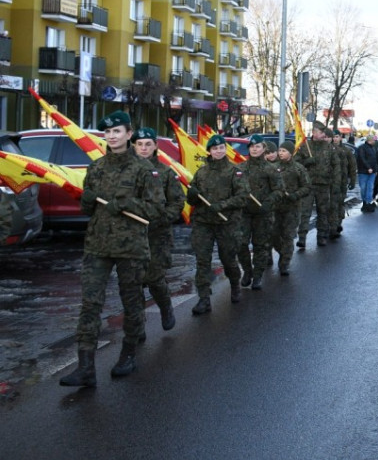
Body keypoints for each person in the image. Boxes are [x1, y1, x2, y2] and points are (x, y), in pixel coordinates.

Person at [60, 111, 161, 386]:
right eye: (108, 132)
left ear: (129, 135)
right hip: (98, 245)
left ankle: (128, 354)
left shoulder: (144, 169)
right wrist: (87, 199)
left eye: (118, 131)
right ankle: (85, 367)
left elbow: (156, 209)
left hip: (131, 246)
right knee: (90, 303)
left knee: (131, 302)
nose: (112, 136)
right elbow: (86, 208)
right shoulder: (96, 167)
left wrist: (128, 204)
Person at [186, 134, 251, 314]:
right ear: (209, 151)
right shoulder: (201, 172)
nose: (218, 151)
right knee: (202, 261)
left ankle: (235, 285)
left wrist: (222, 205)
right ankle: (204, 298)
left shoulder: (235, 171)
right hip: (203, 223)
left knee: (228, 259)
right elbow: (192, 199)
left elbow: (242, 197)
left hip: (227, 223)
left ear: (225, 149)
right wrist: (191, 195)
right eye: (215, 149)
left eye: (221, 147)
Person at [132, 127, 184, 340]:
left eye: (148, 144)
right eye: (139, 144)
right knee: (132, 282)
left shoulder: (165, 173)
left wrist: (163, 218)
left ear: (155, 147)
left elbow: (177, 201)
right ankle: (137, 326)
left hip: (157, 235)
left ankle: (165, 306)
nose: (144, 148)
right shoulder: (128, 171)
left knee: (154, 278)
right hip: (131, 235)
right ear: (133, 146)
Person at [242, 134, 283, 291]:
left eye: (258, 146)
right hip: (244, 213)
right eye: (252, 146)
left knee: (261, 245)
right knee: (240, 244)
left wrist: (268, 202)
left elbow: (279, 190)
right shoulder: (240, 168)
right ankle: (247, 271)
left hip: (263, 214)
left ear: (264, 149)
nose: (254, 148)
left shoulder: (271, 169)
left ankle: (258, 275)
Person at [271, 141, 310, 277]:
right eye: (279, 150)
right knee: (274, 235)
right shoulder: (273, 167)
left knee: (288, 236)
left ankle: (284, 264)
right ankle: (284, 252)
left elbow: (306, 187)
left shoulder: (298, 168)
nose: (280, 153)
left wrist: (294, 195)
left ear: (291, 152)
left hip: (291, 208)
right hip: (275, 208)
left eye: (284, 151)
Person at [297, 122, 339, 247]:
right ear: (314, 132)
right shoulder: (305, 146)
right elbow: (296, 163)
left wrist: (336, 183)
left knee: (323, 211)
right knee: (305, 212)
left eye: (323, 133)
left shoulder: (329, 147)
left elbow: (336, 165)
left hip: (324, 184)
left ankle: (321, 236)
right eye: (320, 132)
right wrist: (306, 161)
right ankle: (302, 238)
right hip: (308, 185)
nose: (322, 135)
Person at [331, 130, 357, 234]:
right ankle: (331, 225)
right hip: (330, 182)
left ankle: (338, 223)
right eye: (333, 137)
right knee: (331, 204)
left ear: (340, 138)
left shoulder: (346, 151)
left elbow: (352, 166)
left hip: (342, 181)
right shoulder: (328, 150)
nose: (335, 139)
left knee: (339, 202)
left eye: (336, 136)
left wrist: (353, 181)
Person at [356, 133, 378, 211]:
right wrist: (368, 168)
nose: (375, 141)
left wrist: (375, 170)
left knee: (370, 187)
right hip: (363, 172)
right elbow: (362, 159)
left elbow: (375, 160)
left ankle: (368, 202)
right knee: (363, 188)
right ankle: (364, 202)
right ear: (370, 140)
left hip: (372, 172)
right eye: (373, 140)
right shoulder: (361, 148)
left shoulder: (373, 148)